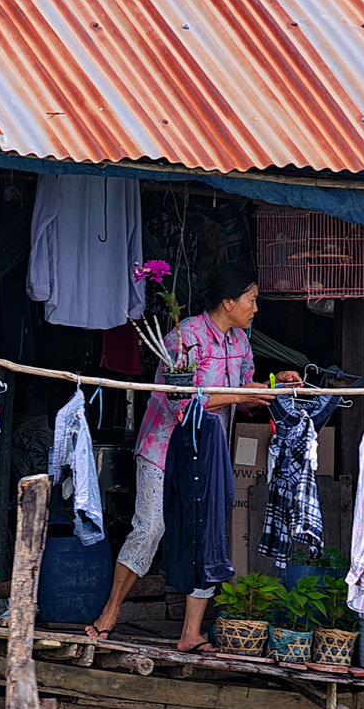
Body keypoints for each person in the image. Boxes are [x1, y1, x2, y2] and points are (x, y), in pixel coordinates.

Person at [85, 264, 299, 652]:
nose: (255, 308)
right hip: (163, 449)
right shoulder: (185, 338)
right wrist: (241, 395)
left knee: (207, 535)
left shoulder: (240, 342)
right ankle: (109, 614)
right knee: (149, 528)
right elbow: (180, 399)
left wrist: (273, 384)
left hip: (207, 456)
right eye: (251, 300)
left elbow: (243, 387)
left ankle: (190, 634)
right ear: (228, 301)